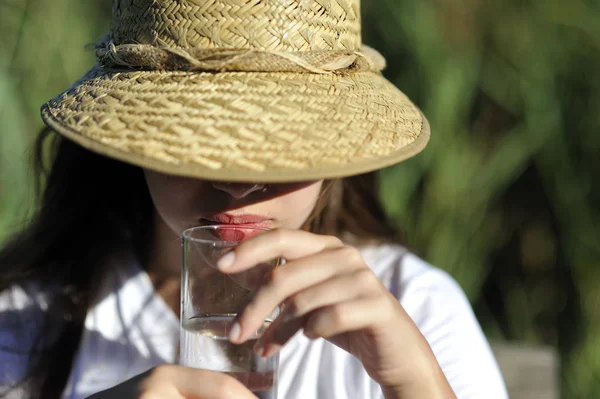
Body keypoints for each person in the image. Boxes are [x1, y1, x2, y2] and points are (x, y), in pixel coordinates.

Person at [0, 0, 508, 398]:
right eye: (199, 133)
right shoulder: (23, 324)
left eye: (281, 143)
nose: (240, 185)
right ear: (132, 140)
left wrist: (415, 387)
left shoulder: (413, 306)